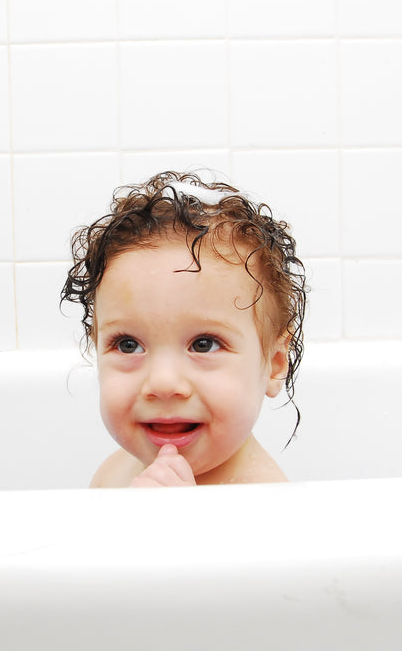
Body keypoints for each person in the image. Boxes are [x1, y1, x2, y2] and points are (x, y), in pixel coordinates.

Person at [61, 171, 307, 487]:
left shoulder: (260, 497)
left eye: (204, 344)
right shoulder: (117, 471)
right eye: (128, 344)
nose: (163, 383)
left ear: (274, 364)